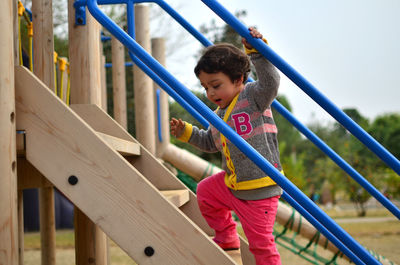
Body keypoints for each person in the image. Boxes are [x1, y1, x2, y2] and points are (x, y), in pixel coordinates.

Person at [170, 27, 282, 265]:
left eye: (216, 85)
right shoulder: (218, 114)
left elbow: (271, 82)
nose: (210, 92)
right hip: (234, 185)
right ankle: (227, 237)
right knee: (206, 191)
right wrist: (187, 132)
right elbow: (211, 143)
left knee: (261, 245)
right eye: (205, 87)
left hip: (259, 189)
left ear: (238, 79)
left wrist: (257, 51)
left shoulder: (253, 97)